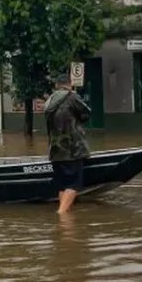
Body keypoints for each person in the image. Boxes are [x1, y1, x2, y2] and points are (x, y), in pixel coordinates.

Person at [43, 72, 91, 215]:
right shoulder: (72, 97)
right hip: (72, 149)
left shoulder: (49, 101)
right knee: (74, 184)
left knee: (62, 185)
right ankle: (62, 215)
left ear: (56, 85)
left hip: (55, 149)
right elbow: (86, 113)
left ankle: (66, 214)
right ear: (69, 84)